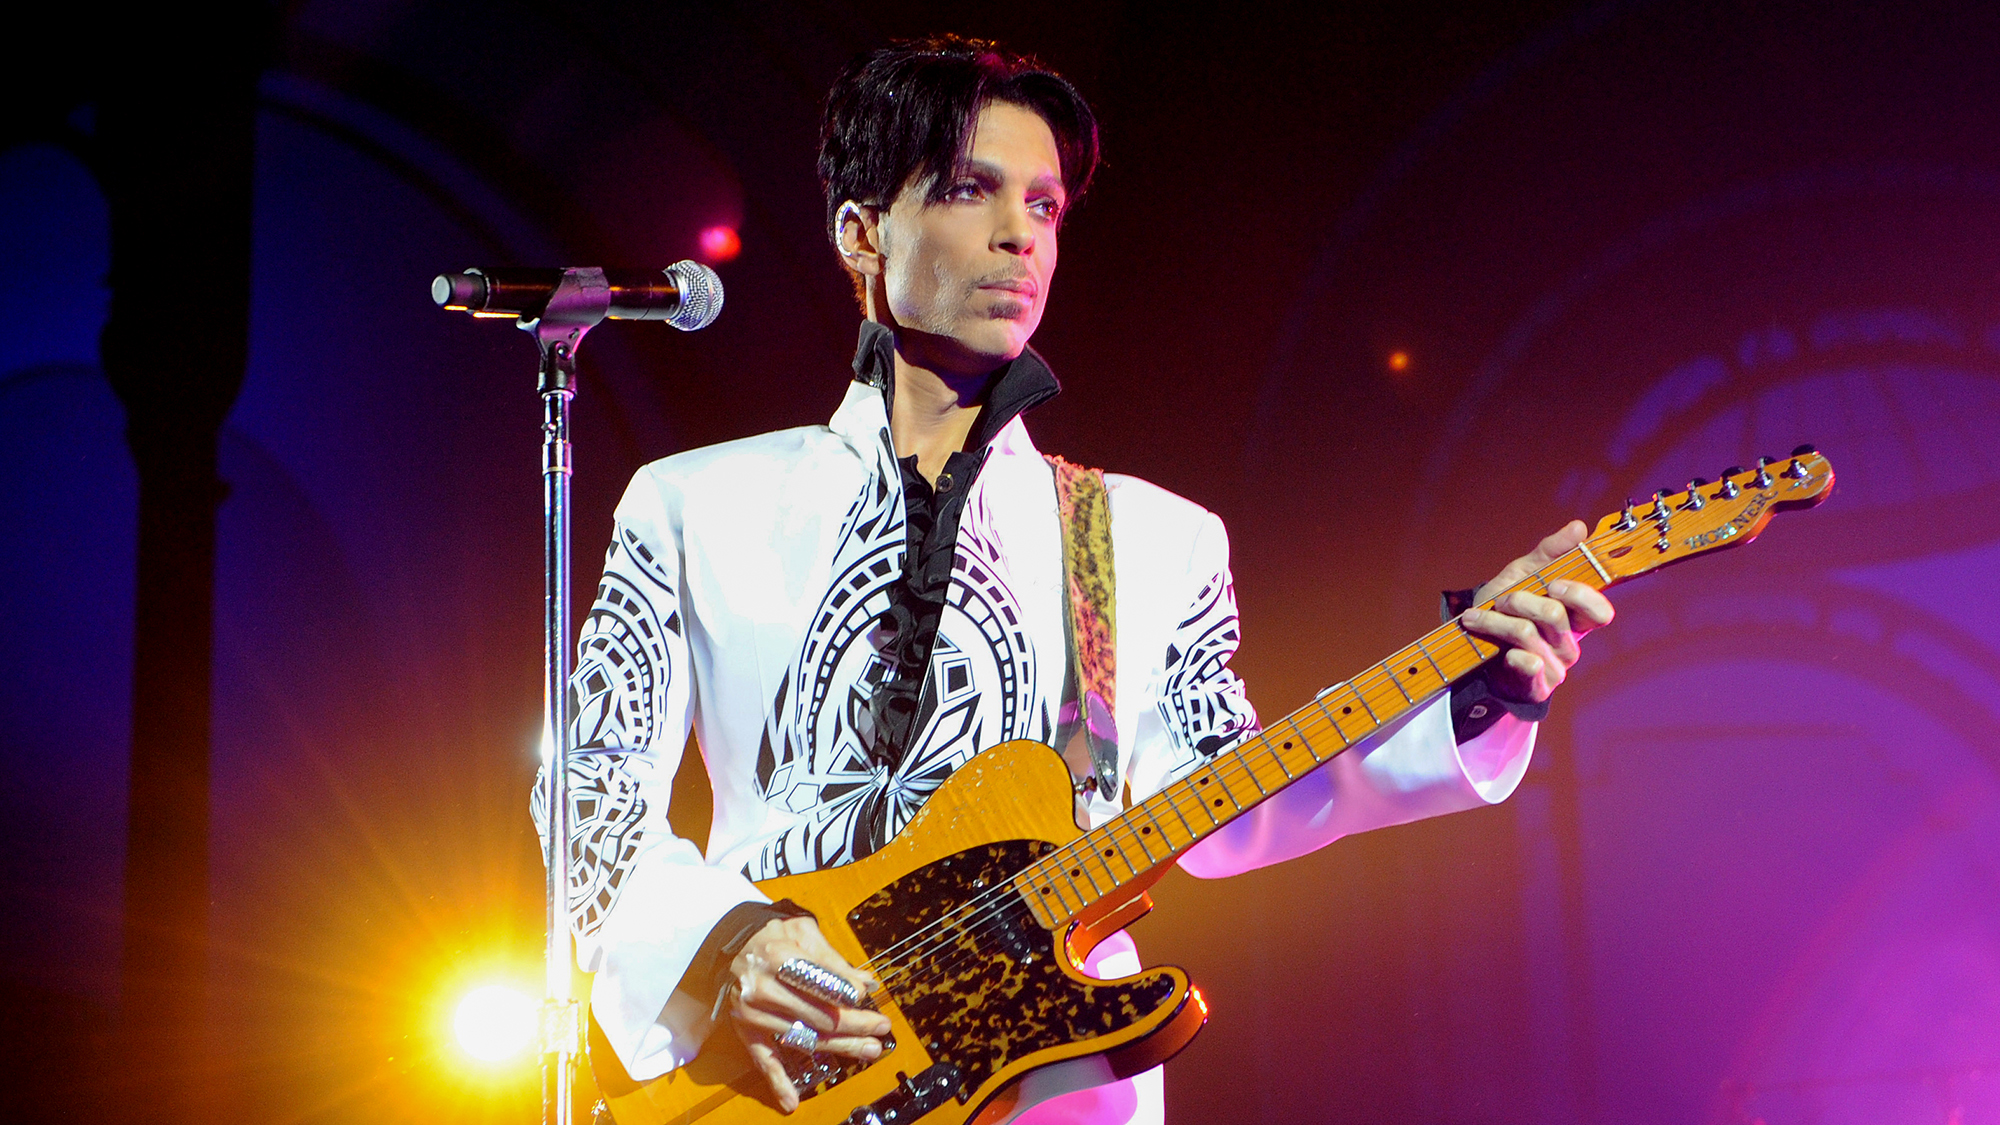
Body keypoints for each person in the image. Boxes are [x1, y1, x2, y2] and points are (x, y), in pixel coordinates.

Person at [533, 35, 1614, 1125]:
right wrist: (730, 945)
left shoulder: (1150, 538)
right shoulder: (689, 503)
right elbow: (585, 788)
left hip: (1047, 1087)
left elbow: (1235, 796)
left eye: (1045, 206)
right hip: (781, 1074)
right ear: (859, 232)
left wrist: (1477, 688)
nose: (1018, 235)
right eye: (968, 190)